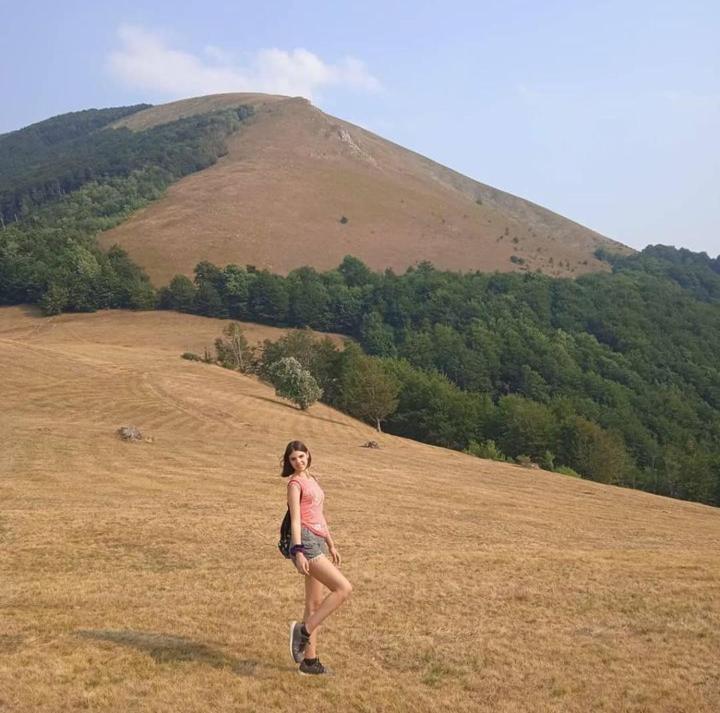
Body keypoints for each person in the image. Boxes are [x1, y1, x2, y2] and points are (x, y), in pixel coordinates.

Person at [281, 440, 352, 676]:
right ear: (288, 462)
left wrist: (331, 543)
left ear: (308, 455)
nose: (298, 461)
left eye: (301, 456)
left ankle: (309, 663)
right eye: (293, 459)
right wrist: (298, 550)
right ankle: (304, 630)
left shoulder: (312, 480)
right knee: (343, 588)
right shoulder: (295, 484)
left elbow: (319, 515)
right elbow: (296, 520)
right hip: (307, 543)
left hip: (319, 540)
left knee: (314, 604)